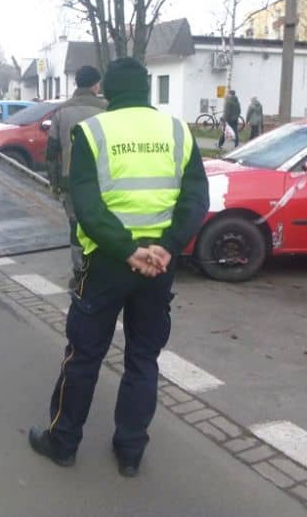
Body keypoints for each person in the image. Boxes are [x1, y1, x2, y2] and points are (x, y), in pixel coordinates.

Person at [29, 57, 210, 478]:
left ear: (108, 91)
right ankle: (130, 453)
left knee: (84, 356)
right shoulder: (178, 132)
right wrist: (165, 248)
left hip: (107, 266)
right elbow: (196, 200)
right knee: (143, 359)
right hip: (158, 269)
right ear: (147, 89)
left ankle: (63, 443)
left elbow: (88, 207)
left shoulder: (92, 132)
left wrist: (127, 250)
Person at [46, 65, 107, 289]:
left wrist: (54, 183)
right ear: (94, 85)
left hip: (69, 179)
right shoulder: (106, 109)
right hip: (101, 180)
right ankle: (101, 272)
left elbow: (51, 151)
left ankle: (80, 274)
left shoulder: (61, 111)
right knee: (100, 224)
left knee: (76, 227)